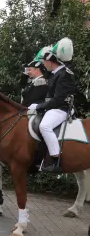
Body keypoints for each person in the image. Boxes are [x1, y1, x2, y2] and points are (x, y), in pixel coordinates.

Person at [28, 38, 76, 173]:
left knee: (45, 126)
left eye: (44, 61)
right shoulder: (57, 73)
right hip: (55, 107)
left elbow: (57, 100)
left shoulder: (64, 74)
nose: (43, 64)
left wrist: (38, 107)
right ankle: (39, 159)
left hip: (62, 108)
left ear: (50, 61)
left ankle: (56, 160)